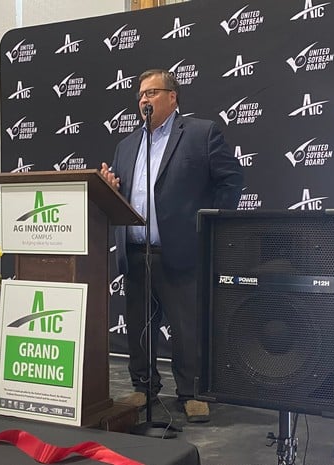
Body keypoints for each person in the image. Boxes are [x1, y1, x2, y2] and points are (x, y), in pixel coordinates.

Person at [100, 69, 243, 422]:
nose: (143, 100)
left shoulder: (200, 133)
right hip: (136, 251)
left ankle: (191, 392)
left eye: (151, 93)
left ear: (173, 96)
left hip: (181, 250)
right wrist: (110, 187)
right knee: (139, 326)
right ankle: (143, 387)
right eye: (140, 95)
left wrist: (209, 228)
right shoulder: (126, 145)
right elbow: (121, 195)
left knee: (187, 328)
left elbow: (231, 181)